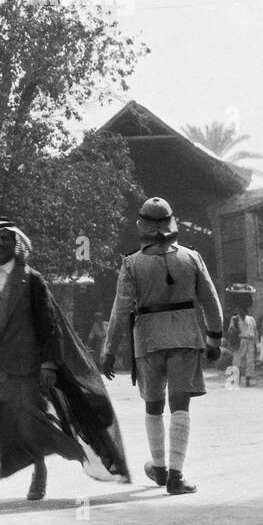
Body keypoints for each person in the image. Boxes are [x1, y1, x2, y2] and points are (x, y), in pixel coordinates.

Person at [0, 215, 118, 511]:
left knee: (28, 425)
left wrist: (48, 364)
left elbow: (48, 326)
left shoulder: (32, 281)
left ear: (16, 244)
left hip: (25, 369)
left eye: (5, 239)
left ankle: (40, 465)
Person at [101, 197, 223, 495]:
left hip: (148, 340)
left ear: (141, 225)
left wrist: (109, 350)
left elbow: (119, 311)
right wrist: (214, 338)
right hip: (185, 338)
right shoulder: (191, 257)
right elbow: (210, 300)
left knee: (153, 405)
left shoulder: (132, 263)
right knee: (180, 405)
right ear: (172, 222)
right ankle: (176, 477)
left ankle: (159, 467)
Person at [228, 308, 258, 387]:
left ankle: (248, 381)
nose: (241, 312)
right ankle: (236, 380)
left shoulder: (251, 319)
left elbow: (255, 331)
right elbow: (230, 331)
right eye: (239, 310)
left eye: (243, 310)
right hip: (240, 341)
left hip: (250, 341)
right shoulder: (234, 319)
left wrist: (256, 343)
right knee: (237, 360)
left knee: (250, 361)